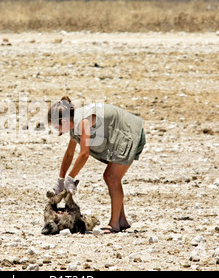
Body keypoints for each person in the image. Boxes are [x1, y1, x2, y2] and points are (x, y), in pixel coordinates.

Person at [48, 96, 146, 234]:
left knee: (112, 177)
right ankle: (121, 220)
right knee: (110, 177)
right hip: (123, 132)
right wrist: (60, 179)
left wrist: (70, 178)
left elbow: (84, 154)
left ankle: (114, 224)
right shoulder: (74, 124)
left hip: (129, 132)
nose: (57, 131)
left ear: (63, 121)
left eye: (56, 127)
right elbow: (69, 154)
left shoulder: (82, 123)